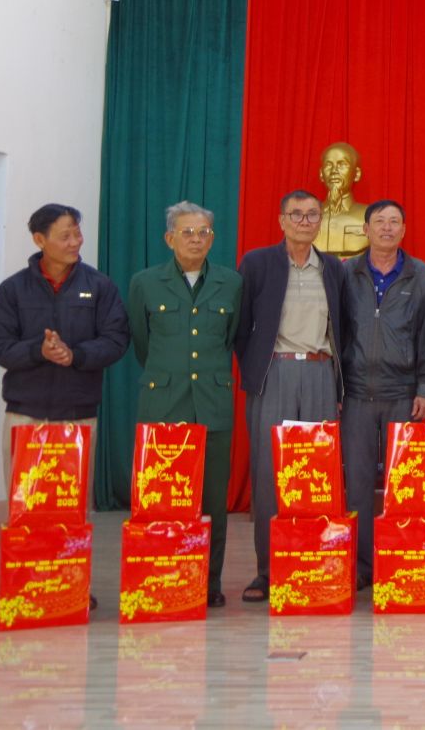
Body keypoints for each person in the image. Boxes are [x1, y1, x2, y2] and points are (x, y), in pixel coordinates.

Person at [126, 201, 244, 608]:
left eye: (203, 232)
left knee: (212, 502)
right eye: (187, 232)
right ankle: (163, 576)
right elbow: (142, 342)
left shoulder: (230, 283)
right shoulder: (145, 282)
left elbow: (229, 337)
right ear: (169, 238)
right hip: (163, 402)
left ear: (213, 238)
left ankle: (208, 582)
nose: (196, 239)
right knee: (162, 498)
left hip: (212, 405)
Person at [235, 189, 349, 604]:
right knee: (270, 476)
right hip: (275, 373)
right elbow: (241, 326)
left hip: (320, 372)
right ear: (282, 220)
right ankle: (267, 571)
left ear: (320, 221)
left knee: (317, 474)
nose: (304, 221)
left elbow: (344, 326)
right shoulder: (258, 263)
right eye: (296, 214)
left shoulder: (332, 268)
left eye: (312, 214)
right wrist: (256, 369)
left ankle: (313, 562)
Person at [0, 203, 129, 492]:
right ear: (40, 239)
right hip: (24, 415)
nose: (75, 242)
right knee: (24, 502)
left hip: (78, 415)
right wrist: (39, 351)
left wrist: (75, 355)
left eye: (77, 234)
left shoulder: (100, 286)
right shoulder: (13, 289)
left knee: (71, 504)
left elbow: (116, 339)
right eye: (65, 236)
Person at [340, 199, 425, 590]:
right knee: (358, 485)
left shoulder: (422, 277)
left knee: (404, 484)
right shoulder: (346, 273)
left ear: (404, 230)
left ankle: (400, 560)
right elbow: (337, 333)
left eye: (394, 221)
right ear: (365, 230)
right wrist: (336, 387)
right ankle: (363, 565)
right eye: (379, 221)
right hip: (356, 395)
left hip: (403, 394)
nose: (386, 228)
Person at [312, 142, 371, 256]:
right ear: (321, 174)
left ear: (356, 174)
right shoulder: (305, 217)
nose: (334, 171)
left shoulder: (371, 216)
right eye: (328, 165)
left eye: (342, 164)